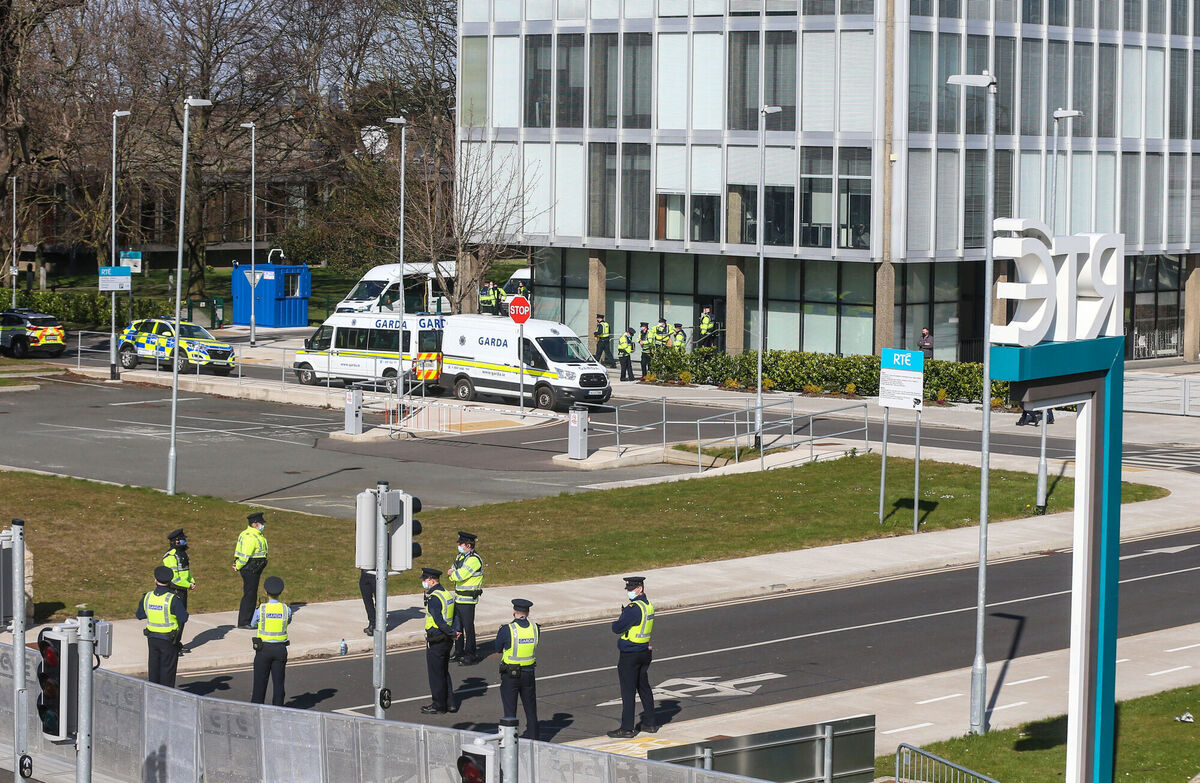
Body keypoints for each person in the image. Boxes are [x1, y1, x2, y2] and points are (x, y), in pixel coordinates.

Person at [607, 576, 657, 738]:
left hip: (630, 653)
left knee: (628, 691)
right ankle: (650, 723)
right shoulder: (648, 605)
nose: (629, 592)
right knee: (643, 687)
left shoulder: (633, 608)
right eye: (628, 589)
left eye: (631, 589)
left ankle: (627, 728)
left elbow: (617, 628)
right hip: (645, 650)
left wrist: (621, 617)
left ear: (640, 589)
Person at [136, 565, 188, 688]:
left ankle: (154, 695)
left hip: (152, 639)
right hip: (168, 640)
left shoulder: (147, 597)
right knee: (167, 672)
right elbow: (184, 618)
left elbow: (139, 615)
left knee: (154, 669)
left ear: (155, 580)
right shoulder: (173, 599)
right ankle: (166, 698)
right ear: (170, 581)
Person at [496, 598, 540, 740]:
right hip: (529, 673)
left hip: (511, 675)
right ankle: (534, 739)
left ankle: (510, 742)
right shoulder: (535, 628)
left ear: (514, 612)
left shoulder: (507, 629)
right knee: (531, 710)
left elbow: (497, 648)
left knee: (510, 711)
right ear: (528, 612)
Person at [421, 567, 459, 714]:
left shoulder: (434, 598)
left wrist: (451, 632)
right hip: (447, 639)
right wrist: (454, 632)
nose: (424, 582)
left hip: (436, 639)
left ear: (431, 580)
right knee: (444, 671)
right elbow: (455, 615)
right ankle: (451, 703)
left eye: (425, 580)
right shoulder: (446, 594)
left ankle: (438, 705)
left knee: (435, 674)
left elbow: (438, 620)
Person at [250, 575, 291, 706]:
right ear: (281, 592)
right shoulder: (286, 609)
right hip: (280, 649)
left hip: (263, 650)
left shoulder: (261, 609)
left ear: (266, 592)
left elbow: (253, 624)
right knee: (279, 684)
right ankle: (278, 709)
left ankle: (256, 710)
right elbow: (288, 621)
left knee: (259, 684)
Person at [448, 531, 484, 665]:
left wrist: (453, 574)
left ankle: (470, 655)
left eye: (461, 544)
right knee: (457, 627)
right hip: (458, 598)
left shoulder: (474, 559)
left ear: (468, 545)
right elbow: (453, 571)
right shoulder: (460, 557)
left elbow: (459, 576)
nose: (459, 546)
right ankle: (458, 652)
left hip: (468, 600)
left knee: (468, 628)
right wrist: (453, 573)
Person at [233, 512, 269, 629]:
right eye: (261, 523)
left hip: (254, 569)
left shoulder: (255, 534)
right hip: (250, 569)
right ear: (254, 524)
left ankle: (248, 619)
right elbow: (245, 555)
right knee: (250, 594)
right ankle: (244, 621)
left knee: (251, 593)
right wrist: (238, 566)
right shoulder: (250, 536)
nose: (262, 525)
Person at [162, 528, 195, 650]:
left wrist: (192, 580)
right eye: (182, 539)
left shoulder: (182, 554)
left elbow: (186, 572)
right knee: (177, 618)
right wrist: (188, 585)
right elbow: (174, 578)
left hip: (182, 589)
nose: (184, 541)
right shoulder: (170, 557)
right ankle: (173, 644)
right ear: (175, 541)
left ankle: (177, 643)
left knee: (182, 619)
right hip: (175, 590)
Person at [359, 568, 377, 636]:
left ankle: (378, 625)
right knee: (367, 601)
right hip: (364, 573)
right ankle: (372, 623)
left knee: (379, 602)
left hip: (377, 574)